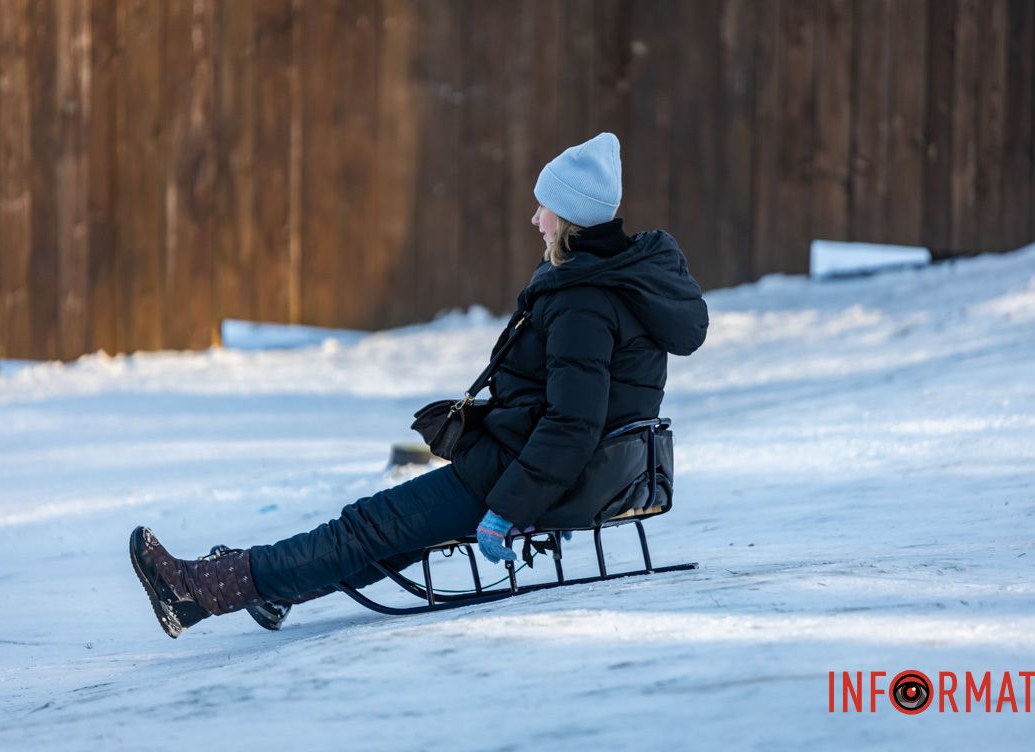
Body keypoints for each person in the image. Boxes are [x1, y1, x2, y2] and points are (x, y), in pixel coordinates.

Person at [129, 131, 709, 638]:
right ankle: (274, 586)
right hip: (558, 468)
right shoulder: (620, 281)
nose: (535, 219)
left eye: (543, 208)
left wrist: (507, 509)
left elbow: (573, 424)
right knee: (384, 532)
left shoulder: (584, 300)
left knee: (365, 527)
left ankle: (196, 590)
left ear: (569, 217)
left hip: (540, 474)